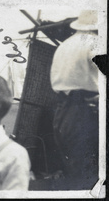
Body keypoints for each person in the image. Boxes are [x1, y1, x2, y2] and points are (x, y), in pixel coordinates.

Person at [50, 10, 99, 190]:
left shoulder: (64, 46)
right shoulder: (95, 43)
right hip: (88, 109)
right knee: (92, 170)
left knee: (75, 167)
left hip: (63, 110)